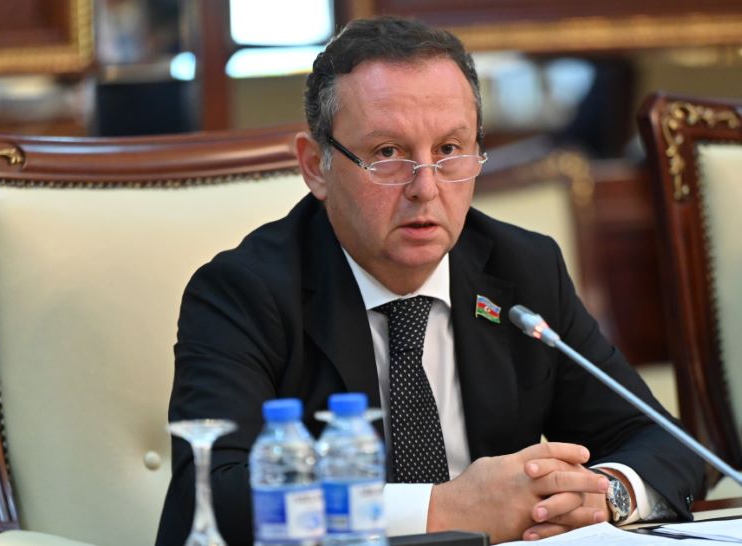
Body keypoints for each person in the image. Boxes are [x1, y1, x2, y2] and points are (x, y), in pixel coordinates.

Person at [156, 16, 703, 546]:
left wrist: (605, 495)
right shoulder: (241, 293)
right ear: (317, 166)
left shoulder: (522, 271)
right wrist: (441, 510)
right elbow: (213, 495)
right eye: (388, 154)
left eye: (448, 150)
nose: (426, 188)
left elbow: (668, 445)